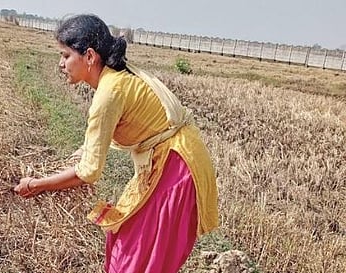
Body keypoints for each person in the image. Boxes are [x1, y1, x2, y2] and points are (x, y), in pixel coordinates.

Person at [14, 14, 219, 273]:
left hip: (176, 168)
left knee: (137, 256)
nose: (60, 64)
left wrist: (36, 185)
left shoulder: (109, 94)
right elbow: (99, 142)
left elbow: (89, 172)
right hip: (170, 158)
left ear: (89, 56)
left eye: (66, 56)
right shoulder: (114, 79)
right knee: (125, 240)